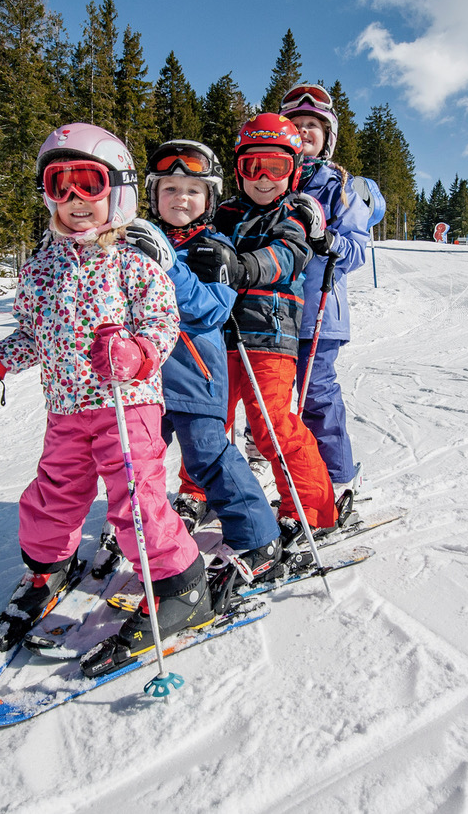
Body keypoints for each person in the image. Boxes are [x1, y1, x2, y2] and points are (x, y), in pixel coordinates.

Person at [0, 123, 212, 677]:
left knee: (133, 500)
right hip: (66, 407)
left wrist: (137, 352)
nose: (72, 200)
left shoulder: (135, 259)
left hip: (127, 403)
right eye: (57, 183)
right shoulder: (41, 266)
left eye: (87, 183)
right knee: (52, 494)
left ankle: (181, 583)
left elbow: (163, 326)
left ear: (117, 189)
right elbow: (33, 338)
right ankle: (46, 569)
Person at [136, 140, 283, 592]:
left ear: (210, 198)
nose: (181, 198)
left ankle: (258, 539)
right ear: (153, 196)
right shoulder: (135, 244)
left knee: (207, 457)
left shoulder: (214, 248)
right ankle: (144, 531)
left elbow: (211, 311)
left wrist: (168, 268)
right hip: (142, 379)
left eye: (193, 190)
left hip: (195, 374)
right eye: (170, 188)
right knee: (137, 461)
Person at [188, 113, 339, 544]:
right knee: (206, 421)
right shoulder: (221, 214)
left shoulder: (292, 215)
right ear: (239, 170)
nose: (264, 178)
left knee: (271, 424)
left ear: (293, 171)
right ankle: (197, 490)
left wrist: (241, 267)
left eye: (276, 167)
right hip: (218, 337)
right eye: (254, 166)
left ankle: (308, 505)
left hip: (269, 338)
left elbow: (286, 257)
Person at [279, 82, 371, 510]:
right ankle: (293, 476)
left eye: (311, 126)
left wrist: (324, 237)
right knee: (278, 401)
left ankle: (336, 478)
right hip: (274, 313)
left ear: (327, 136)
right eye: (295, 125)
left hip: (319, 313)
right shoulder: (270, 178)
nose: (303, 131)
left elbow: (355, 250)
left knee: (315, 395)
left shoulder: (339, 186)